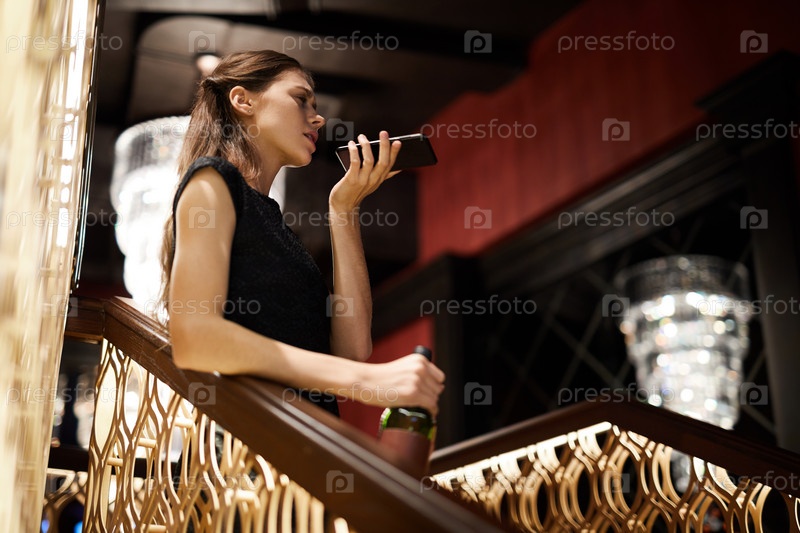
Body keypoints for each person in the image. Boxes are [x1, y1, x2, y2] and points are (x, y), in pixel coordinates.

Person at [159, 49, 445, 420]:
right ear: (243, 100)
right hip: (249, 439)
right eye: (301, 99)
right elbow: (195, 336)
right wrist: (363, 381)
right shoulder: (213, 180)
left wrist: (344, 209)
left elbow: (353, 348)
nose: (318, 117)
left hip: (303, 436)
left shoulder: (278, 227)